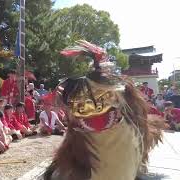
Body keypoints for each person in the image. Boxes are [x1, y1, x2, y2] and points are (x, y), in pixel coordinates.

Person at [44, 40, 164, 180]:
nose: (91, 107)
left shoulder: (132, 129)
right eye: (81, 104)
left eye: (102, 97)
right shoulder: (77, 132)